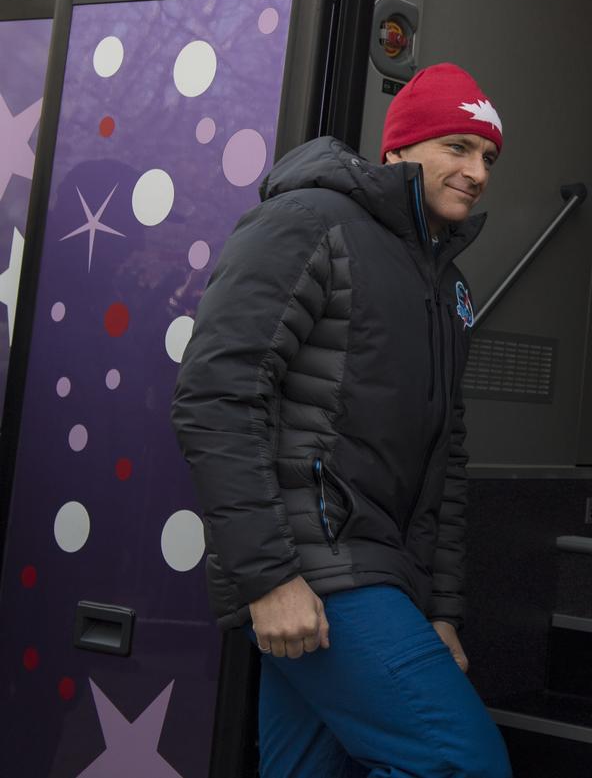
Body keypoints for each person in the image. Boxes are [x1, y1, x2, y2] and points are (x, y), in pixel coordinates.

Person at [171, 63, 512, 778]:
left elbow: (444, 458)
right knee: (463, 762)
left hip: (375, 571)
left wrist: (439, 609)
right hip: (312, 564)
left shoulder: (448, 284)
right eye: (457, 146)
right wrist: (269, 577)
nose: (477, 171)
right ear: (398, 148)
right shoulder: (308, 221)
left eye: (488, 156)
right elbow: (216, 394)